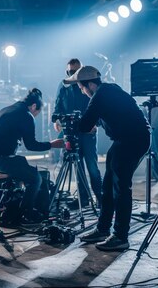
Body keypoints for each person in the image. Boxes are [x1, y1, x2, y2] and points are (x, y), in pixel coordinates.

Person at [70, 66, 150, 251]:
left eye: (82, 88)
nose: (82, 92)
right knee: (107, 186)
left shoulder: (101, 95)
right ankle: (103, 229)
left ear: (90, 85)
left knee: (121, 188)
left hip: (133, 139)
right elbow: (101, 117)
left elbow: (84, 124)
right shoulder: (108, 91)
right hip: (125, 139)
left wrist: (75, 123)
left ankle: (121, 237)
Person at [0, 89, 64, 223]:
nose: (35, 116)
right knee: (35, 179)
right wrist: (52, 144)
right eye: (36, 113)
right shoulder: (26, 115)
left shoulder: (9, 109)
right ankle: (26, 213)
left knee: (32, 171)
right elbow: (31, 145)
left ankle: (34, 207)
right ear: (33, 106)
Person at [53, 58, 102, 206]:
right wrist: (57, 120)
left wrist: (96, 123)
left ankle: (101, 199)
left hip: (87, 132)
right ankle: (84, 199)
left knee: (92, 166)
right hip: (72, 132)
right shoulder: (63, 86)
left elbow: (98, 105)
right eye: (69, 72)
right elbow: (58, 105)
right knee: (78, 166)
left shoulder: (88, 85)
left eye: (75, 72)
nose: (71, 74)